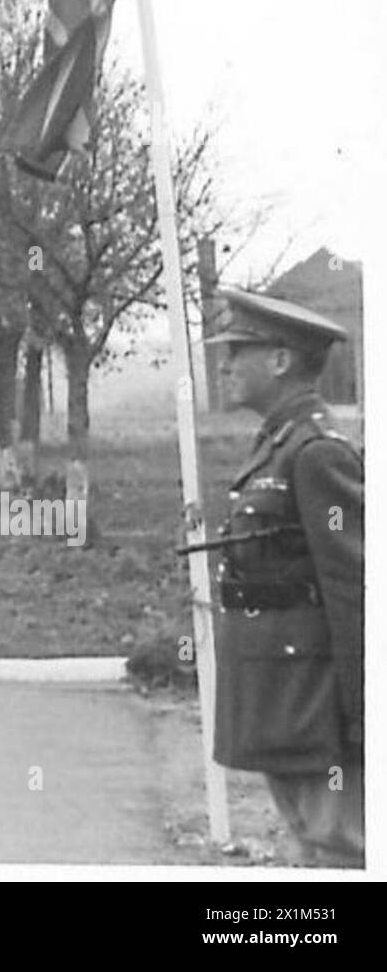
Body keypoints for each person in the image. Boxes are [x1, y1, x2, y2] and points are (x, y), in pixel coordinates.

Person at [206, 287, 363, 867]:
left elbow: (357, 592)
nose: (225, 365)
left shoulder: (318, 454)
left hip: (317, 707)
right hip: (283, 698)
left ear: (280, 360)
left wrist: (363, 719)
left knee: (341, 847)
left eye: (238, 351)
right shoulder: (277, 442)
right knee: (312, 846)